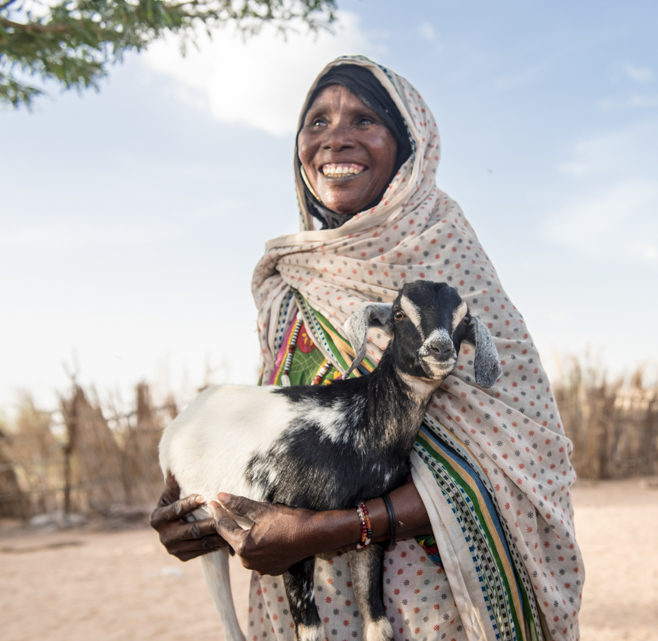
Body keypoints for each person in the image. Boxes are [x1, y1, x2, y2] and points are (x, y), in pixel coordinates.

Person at [150, 56, 584, 641]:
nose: (335, 138)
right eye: (317, 122)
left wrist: (329, 530)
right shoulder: (289, 286)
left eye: (364, 119)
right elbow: (276, 441)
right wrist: (197, 511)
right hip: (300, 609)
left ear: (409, 147)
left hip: (433, 608)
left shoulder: (450, 274)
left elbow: (520, 467)